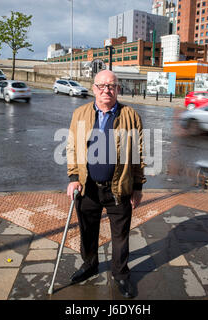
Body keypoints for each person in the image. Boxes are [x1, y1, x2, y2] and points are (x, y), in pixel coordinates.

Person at [66, 70, 146, 298]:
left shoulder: (131, 116)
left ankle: (120, 274)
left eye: (111, 86)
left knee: (120, 236)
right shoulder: (79, 114)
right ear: (93, 89)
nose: (106, 90)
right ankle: (89, 264)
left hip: (119, 187)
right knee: (87, 231)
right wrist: (73, 178)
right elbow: (72, 148)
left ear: (118, 89)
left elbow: (139, 154)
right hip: (87, 187)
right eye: (101, 86)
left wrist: (138, 186)